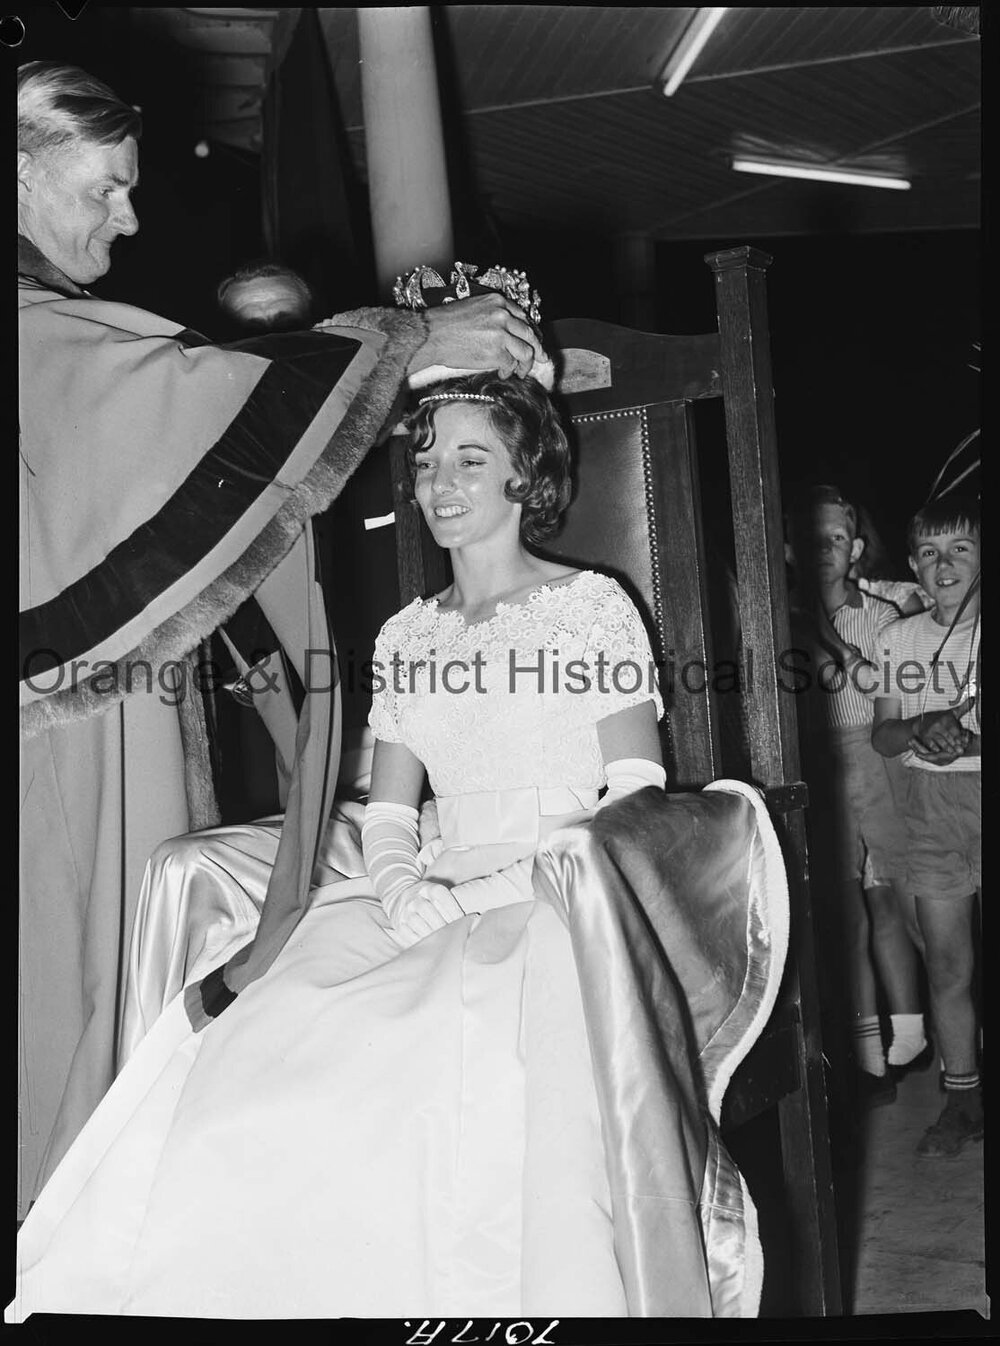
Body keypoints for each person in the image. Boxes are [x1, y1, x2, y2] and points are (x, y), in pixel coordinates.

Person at [9, 371, 789, 1320]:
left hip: (557, 893)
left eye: (471, 459)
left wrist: (476, 896)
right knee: (270, 1040)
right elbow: (387, 808)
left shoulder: (591, 606)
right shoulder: (407, 636)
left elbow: (631, 792)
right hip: (419, 879)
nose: (440, 483)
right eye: (425, 463)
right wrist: (398, 881)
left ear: (525, 477)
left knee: (440, 1085)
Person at [17, 59, 543, 1220]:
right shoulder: (33, 330)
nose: (131, 214)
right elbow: (198, 401)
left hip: (100, 718)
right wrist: (412, 336)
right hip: (57, 756)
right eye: (105, 186)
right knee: (78, 1007)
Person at [785, 486, 927, 1105]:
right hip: (819, 760)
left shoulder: (882, 616)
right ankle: (871, 1062)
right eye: (812, 539)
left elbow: (892, 691)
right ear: (790, 549)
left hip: (875, 756)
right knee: (844, 912)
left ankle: (915, 1034)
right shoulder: (781, 615)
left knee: (894, 900)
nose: (824, 550)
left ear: (857, 549)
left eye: (837, 539)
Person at [871, 494, 982, 1157]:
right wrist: (918, 727)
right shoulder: (897, 639)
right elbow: (885, 734)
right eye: (931, 553)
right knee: (946, 963)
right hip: (930, 812)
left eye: (961, 550)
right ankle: (962, 1097)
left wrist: (964, 743)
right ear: (914, 564)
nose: (945, 564)